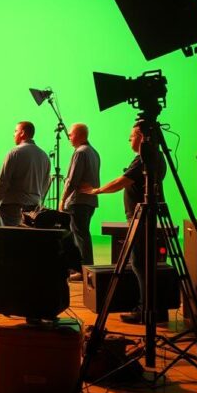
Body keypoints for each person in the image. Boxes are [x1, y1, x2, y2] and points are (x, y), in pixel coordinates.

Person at [82, 124, 166, 324]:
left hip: (141, 218)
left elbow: (122, 181)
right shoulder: (156, 156)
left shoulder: (144, 159)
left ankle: (146, 310)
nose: (129, 140)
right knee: (145, 265)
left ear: (141, 136)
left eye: (131, 136)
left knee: (140, 264)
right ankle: (154, 309)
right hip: (144, 216)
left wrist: (96, 191)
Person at [60, 123, 101, 279]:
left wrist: (62, 199)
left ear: (80, 135)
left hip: (78, 201)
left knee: (80, 235)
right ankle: (81, 268)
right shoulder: (94, 152)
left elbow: (72, 180)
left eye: (71, 134)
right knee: (82, 234)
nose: (69, 137)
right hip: (89, 201)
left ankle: (82, 270)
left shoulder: (80, 152)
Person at [0, 121, 50, 226]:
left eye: (15, 131)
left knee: (7, 239)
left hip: (11, 208)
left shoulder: (14, 153)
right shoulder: (44, 156)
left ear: (22, 133)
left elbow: (3, 182)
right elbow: (46, 184)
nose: (13, 134)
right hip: (33, 208)